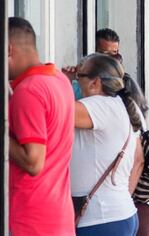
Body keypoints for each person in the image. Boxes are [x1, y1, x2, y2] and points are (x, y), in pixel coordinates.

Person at [8, 17, 75, 235]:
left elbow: (33, 162)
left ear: (8, 49)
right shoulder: (58, 79)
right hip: (59, 217)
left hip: (32, 221)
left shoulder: (28, 90)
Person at [71, 53, 144, 235]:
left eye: (79, 76)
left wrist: (60, 80)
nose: (75, 81)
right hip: (117, 213)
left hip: (101, 219)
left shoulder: (100, 105)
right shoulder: (123, 105)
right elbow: (138, 160)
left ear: (95, 83)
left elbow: (54, 108)